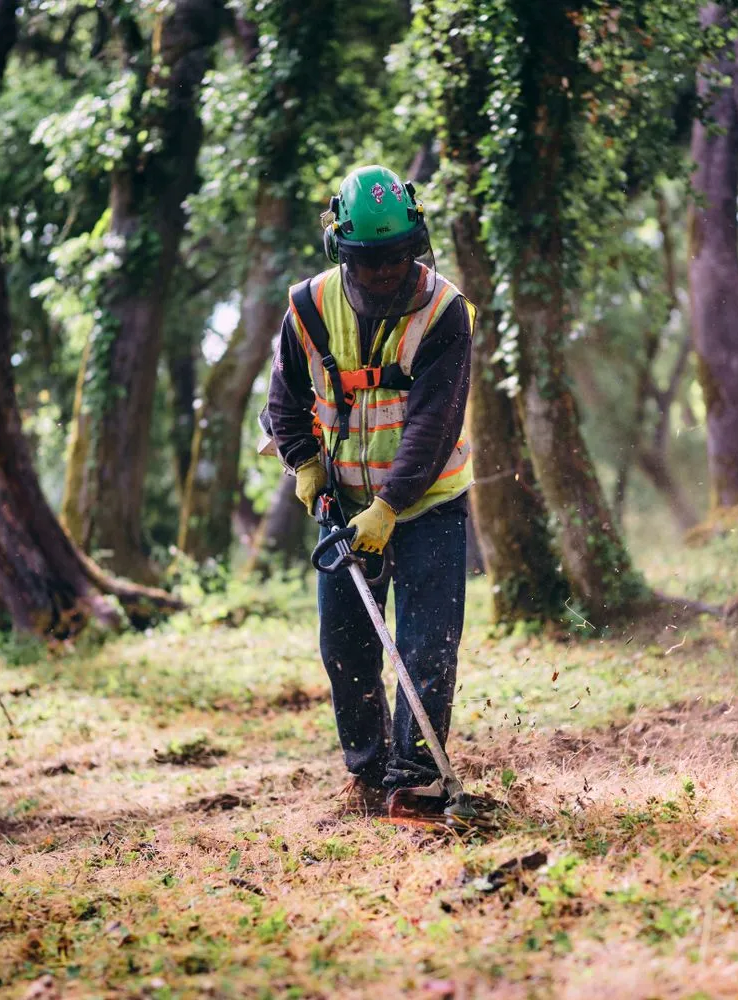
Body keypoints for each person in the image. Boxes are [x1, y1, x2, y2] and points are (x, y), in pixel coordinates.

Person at [262, 164, 476, 821]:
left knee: (425, 645)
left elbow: (433, 425)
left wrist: (391, 506)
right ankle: (368, 772)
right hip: (345, 506)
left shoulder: (445, 312)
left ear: (414, 245)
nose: (383, 273)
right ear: (342, 251)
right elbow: (284, 401)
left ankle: (416, 782)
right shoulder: (307, 308)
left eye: (394, 259)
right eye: (369, 261)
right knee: (346, 648)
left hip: (430, 503)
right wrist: (304, 465)